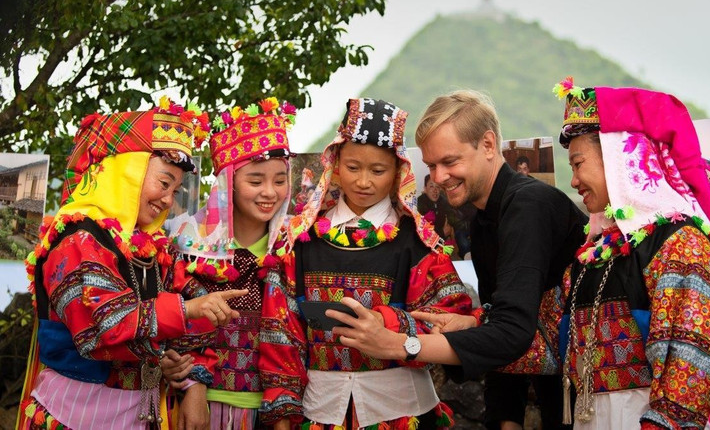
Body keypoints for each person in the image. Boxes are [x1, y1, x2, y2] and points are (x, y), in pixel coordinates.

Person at [331, 90, 588, 430]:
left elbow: (512, 332)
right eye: (431, 165)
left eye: (449, 162)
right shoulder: (482, 221)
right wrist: (504, 418)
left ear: (487, 144)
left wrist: (402, 344)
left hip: (584, 399)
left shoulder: (528, 205)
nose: (438, 177)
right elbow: (505, 323)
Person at [18, 99, 247, 430]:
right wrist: (188, 312)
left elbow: (189, 307)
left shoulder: (152, 249)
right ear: (127, 171)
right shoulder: (76, 240)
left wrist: (189, 375)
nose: (169, 199)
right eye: (163, 183)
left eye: (176, 189)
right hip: (76, 414)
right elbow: (103, 325)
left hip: (136, 414)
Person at [263, 97, 473, 428]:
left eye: (378, 170)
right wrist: (282, 413)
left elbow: (453, 323)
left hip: (401, 412)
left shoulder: (419, 243)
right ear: (333, 166)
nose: (363, 182)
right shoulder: (300, 241)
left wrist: (389, 324)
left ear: (397, 174)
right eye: (352, 167)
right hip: (320, 412)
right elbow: (280, 329)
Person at [553, 78, 710, 429]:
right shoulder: (593, 252)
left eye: (578, 164)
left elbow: (694, 356)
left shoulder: (680, 243)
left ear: (617, 161)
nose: (574, 181)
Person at [163, 97, 297, 429]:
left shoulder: (294, 244)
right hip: (203, 409)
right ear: (228, 181)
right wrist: (192, 391)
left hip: (278, 413)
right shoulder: (188, 240)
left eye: (280, 180)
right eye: (255, 180)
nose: (269, 192)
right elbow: (173, 317)